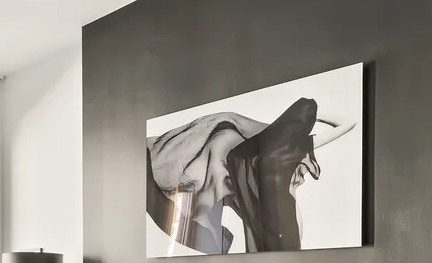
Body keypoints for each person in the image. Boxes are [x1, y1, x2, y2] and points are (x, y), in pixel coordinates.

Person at [146, 97, 355, 253]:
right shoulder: (297, 146)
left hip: (263, 217)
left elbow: (228, 158)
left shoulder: (257, 149)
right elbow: (348, 123)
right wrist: (315, 116)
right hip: (281, 215)